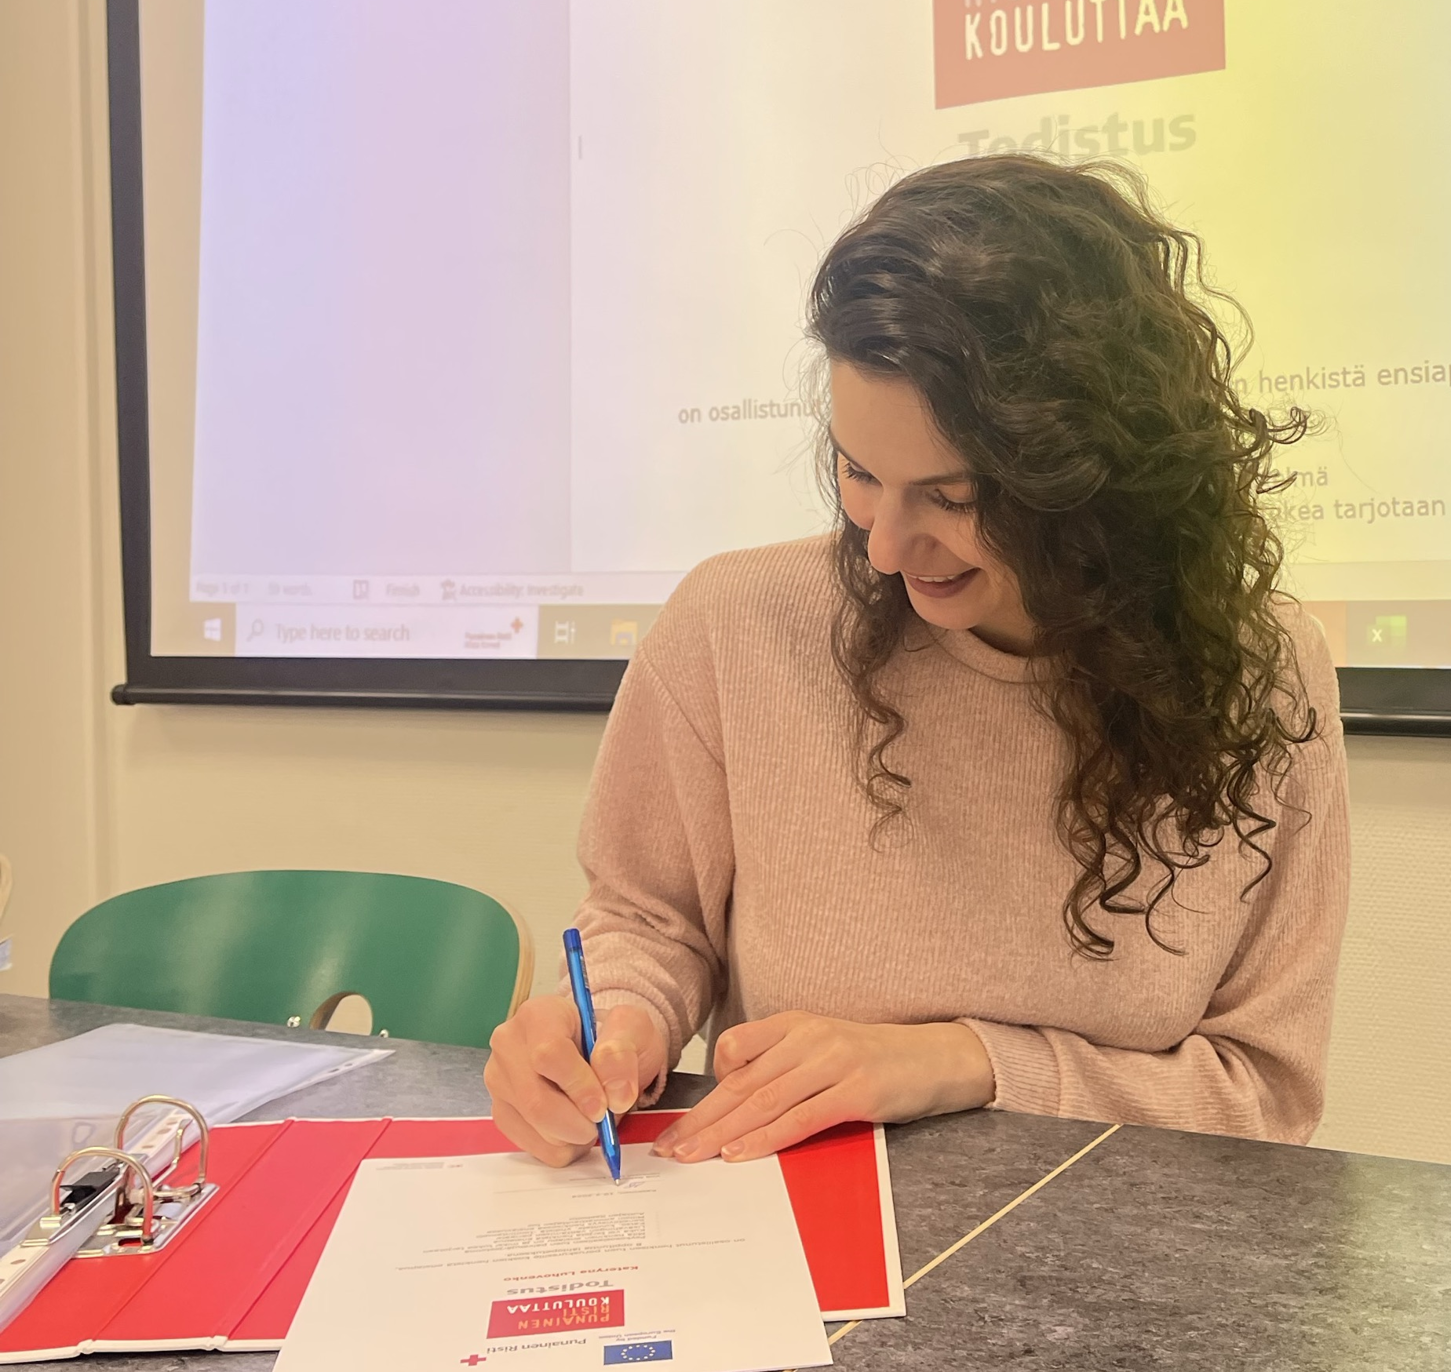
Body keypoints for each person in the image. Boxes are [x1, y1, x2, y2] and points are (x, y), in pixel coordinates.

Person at [483, 154, 1349, 1168]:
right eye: (858, 473)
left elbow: (1264, 1094)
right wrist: (613, 1025)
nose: (886, 549)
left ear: (1093, 479)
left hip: (1118, 1247)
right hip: (783, 1243)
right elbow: (648, 919)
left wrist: (967, 1063)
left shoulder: (1259, 676)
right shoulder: (735, 624)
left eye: (953, 497)